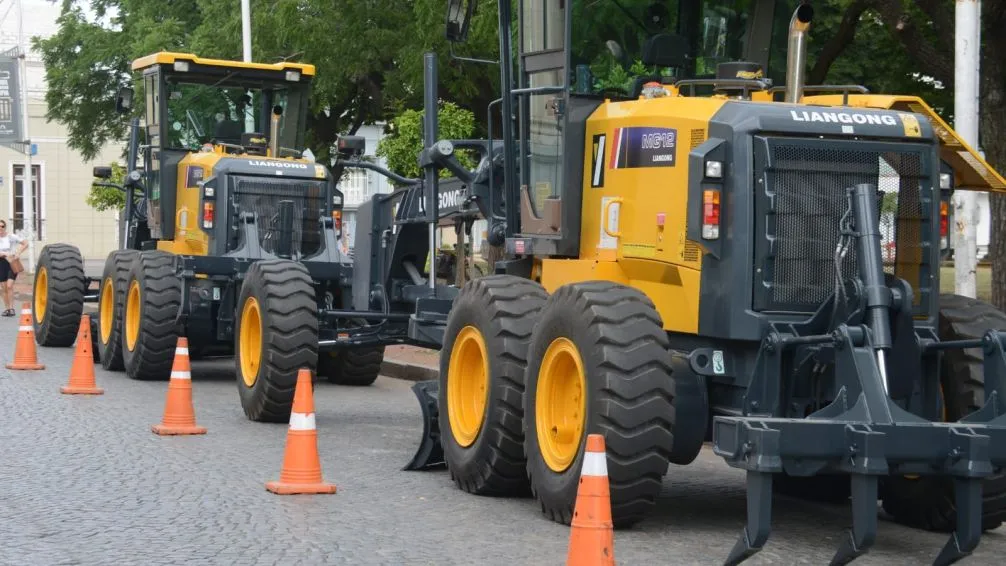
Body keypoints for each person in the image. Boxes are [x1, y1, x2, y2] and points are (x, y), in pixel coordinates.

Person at [0, 221, 28, 317]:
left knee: (9, 286)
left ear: (5, 227)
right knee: (3, 288)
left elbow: (25, 243)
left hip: (12, 262)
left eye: (2, 226)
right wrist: (3, 254)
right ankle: (7, 309)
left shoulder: (11, 237)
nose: (0, 228)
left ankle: (11, 309)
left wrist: (18, 252)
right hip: (1, 263)